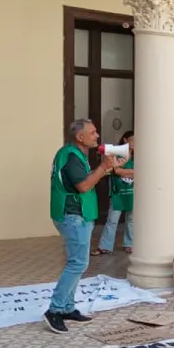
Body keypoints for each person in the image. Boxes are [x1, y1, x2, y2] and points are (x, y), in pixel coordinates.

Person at [45, 118, 116, 334]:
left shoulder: (74, 155)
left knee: (77, 262)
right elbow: (84, 186)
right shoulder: (71, 157)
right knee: (77, 263)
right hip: (73, 215)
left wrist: (106, 169)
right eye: (93, 132)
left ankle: (67, 307)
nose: (97, 136)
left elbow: (86, 180)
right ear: (80, 137)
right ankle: (55, 310)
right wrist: (103, 167)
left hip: (75, 215)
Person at [94, 130, 135, 255]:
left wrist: (124, 171)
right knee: (112, 219)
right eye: (133, 140)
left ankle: (129, 244)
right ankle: (105, 246)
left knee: (131, 220)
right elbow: (115, 170)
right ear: (125, 140)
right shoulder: (117, 154)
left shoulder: (140, 155)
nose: (135, 143)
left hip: (132, 192)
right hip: (118, 192)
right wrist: (131, 171)